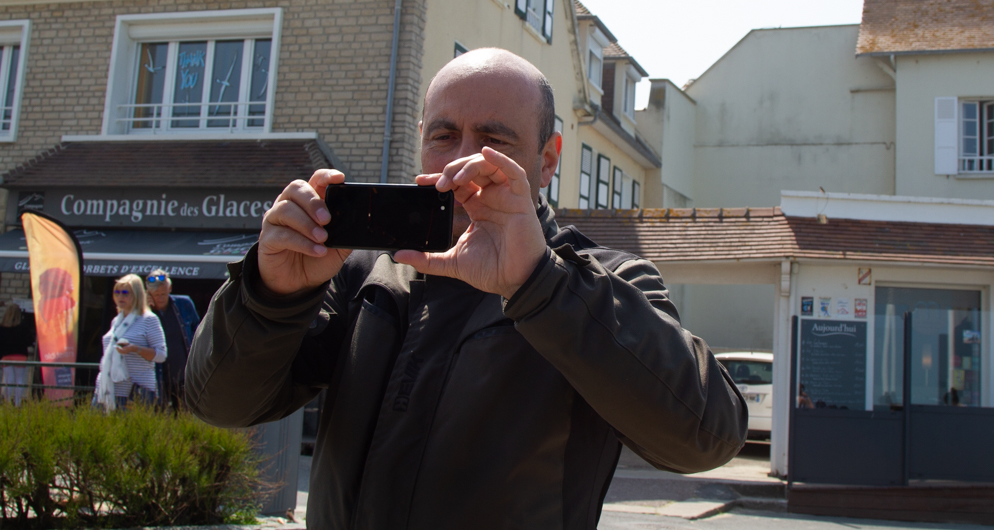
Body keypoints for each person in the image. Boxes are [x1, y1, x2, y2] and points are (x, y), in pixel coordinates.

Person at [187, 48, 747, 529]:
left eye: (492, 140)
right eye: (443, 135)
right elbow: (219, 404)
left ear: (546, 160)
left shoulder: (605, 281)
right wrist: (270, 297)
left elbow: (706, 435)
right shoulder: (360, 272)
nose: (460, 161)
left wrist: (543, 285)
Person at [95, 275, 166, 411]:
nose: (120, 296)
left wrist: (135, 349)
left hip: (134, 394)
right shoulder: (116, 321)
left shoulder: (149, 319)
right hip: (105, 391)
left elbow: (161, 355)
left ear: (137, 295)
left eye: (125, 293)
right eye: (117, 292)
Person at [145, 269, 199, 411]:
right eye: (156, 295)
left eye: (163, 293)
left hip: (183, 374)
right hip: (158, 376)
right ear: (149, 294)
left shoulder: (184, 304)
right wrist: (144, 308)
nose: (160, 298)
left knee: (184, 414)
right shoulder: (144, 313)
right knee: (159, 416)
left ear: (169, 289)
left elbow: (198, 329)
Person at [0, 302, 34, 404]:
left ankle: (6, 403)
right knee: (19, 380)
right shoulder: (23, 327)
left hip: (5, 356)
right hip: (20, 356)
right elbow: (29, 341)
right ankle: (18, 403)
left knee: (8, 379)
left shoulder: (2, 328)